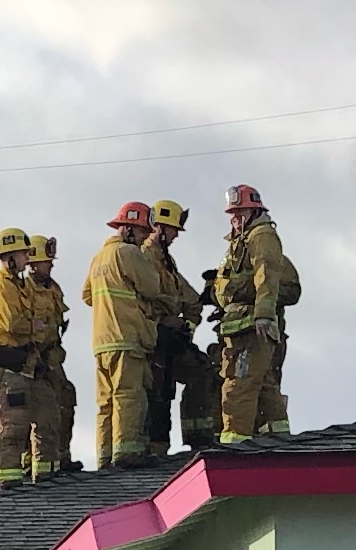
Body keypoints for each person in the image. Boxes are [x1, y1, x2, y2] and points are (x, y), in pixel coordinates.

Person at [83, 204, 175, 469]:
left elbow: (87, 295)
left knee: (105, 401)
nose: (147, 236)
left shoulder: (99, 257)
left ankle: (105, 455)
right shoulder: (129, 253)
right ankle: (126, 453)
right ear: (131, 229)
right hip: (126, 337)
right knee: (128, 395)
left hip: (102, 342)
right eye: (144, 230)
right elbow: (152, 287)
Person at [0, 224, 73, 486]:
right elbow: (13, 324)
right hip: (7, 363)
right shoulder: (1, 287)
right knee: (13, 422)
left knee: (48, 413)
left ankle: (46, 472)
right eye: (23, 254)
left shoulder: (20, 285)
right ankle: (7, 478)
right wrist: (36, 327)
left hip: (27, 362)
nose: (27, 258)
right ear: (10, 257)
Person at [212, 184, 299, 440]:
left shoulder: (261, 236)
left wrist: (263, 315)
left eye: (240, 212)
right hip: (239, 324)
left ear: (254, 211)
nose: (235, 218)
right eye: (232, 213)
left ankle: (234, 440)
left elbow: (266, 275)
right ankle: (277, 434)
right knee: (262, 381)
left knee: (239, 383)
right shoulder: (240, 242)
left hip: (251, 325)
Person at [144, 198, 215, 455]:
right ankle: (155, 449)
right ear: (159, 227)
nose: (176, 236)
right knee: (159, 394)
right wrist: (163, 321)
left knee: (202, 371)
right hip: (153, 339)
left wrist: (187, 327)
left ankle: (198, 437)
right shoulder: (143, 258)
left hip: (172, 339)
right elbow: (143, 300)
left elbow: (191, 300)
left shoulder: (167, 262)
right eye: (173, 230)